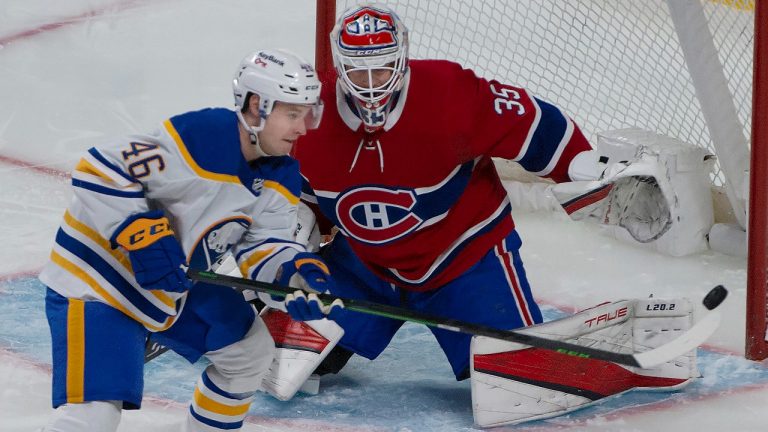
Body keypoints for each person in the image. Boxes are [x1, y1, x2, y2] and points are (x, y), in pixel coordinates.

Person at [264, 3, 702, 428]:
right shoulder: (309, 119)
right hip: (365, 264)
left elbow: (533, 123)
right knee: (281, 358)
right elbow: (302, 202)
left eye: (381, 68)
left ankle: (633, 358)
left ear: (403, 60)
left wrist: (584, 166)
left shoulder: (449, 94)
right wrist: (283, 248)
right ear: (339, 66)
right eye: (359, 70)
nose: (371, 83)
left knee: (514, 382)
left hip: (462, 258)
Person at [38, 48, 335, 432]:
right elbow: (99, 169)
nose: (303, 127)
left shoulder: (281, 174)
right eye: (292, 114)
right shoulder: (202, 138)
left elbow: (264, 246)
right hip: (99, 285)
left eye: (307, 113)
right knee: (93, 415)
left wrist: (293, 275)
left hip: (173, 286)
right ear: (257, 107)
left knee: (248, 352)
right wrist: (140, 232)